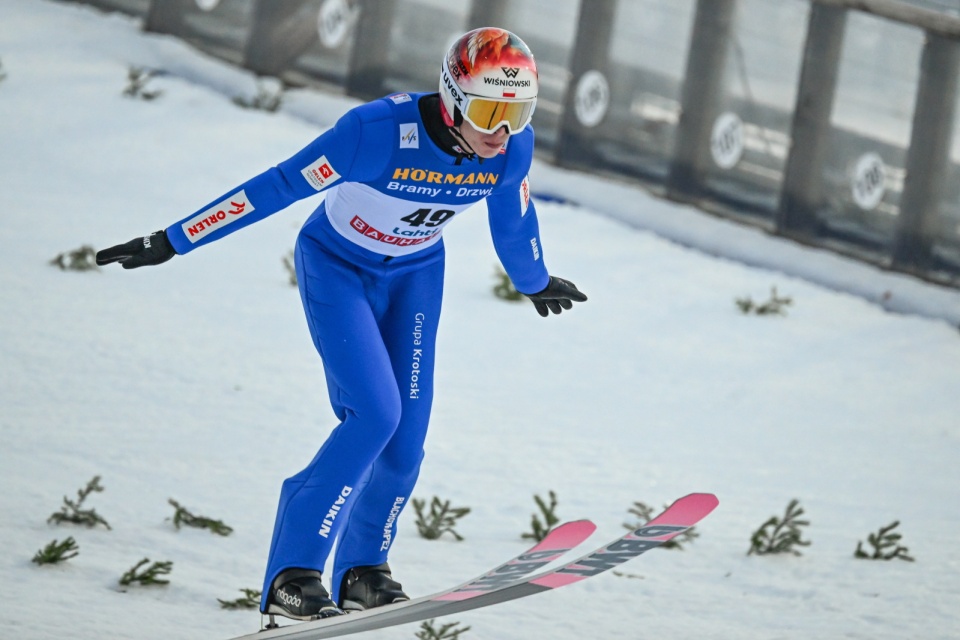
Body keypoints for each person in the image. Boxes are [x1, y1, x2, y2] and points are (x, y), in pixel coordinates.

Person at [96, 27, 586, 622]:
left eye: (518, 113)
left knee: (405, 439)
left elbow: (513, 220)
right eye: (488, 110)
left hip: (415, 275)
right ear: (453, 97)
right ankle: (292, 573)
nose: (501, 131)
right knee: (374, 415)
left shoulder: (511, 148)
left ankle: (364, 569)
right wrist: (173, 240)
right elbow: (274, 188)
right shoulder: (374, 134)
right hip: (337, 267)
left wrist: (534, 281)